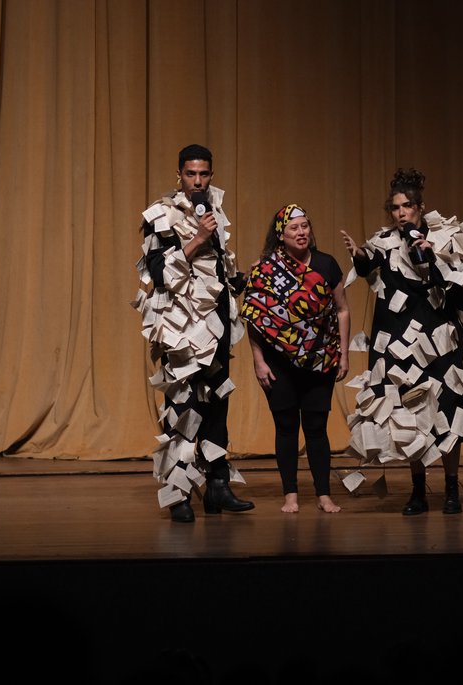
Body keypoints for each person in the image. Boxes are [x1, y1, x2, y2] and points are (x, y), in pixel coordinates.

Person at [340, 168, 463, 515]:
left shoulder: (446, 236)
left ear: (420, 208)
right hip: (401, 343)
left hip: (442, 339)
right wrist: (360, 256)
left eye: (407, 206)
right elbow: (370, 263)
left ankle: (452, 488)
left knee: (448, 411)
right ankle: (417, 491)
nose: (401, 213)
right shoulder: (383, 241)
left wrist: (433, 253)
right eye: (395, 207)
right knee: (411, 415)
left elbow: (460, 279)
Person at [132, 143, 254, 522]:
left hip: (214, 326)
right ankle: (178, 495)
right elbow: (158, 274)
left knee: (217, 405)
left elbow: (215, 271)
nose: (197, 181)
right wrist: (198, 238)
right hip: (181, 330)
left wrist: (240, 279)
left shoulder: (213, 211)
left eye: (204, 174)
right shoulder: (162, 216)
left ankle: (217, 486)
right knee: (183, 409)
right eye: (191, 174)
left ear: (211, 176)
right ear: (179, 175)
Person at [241, 204, 351, 513]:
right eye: (294, 228)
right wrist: (258, 361)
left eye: (305, 226)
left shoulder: (327, 264)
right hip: (278, 362)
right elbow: (253, 318)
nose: (301, 232)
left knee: (316, 428)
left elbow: (342, 309)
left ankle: (323, 494)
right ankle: (290, 494)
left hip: (321, 359)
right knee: (286, 427)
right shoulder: (264, 269)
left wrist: (342, 354)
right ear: (281, 234)